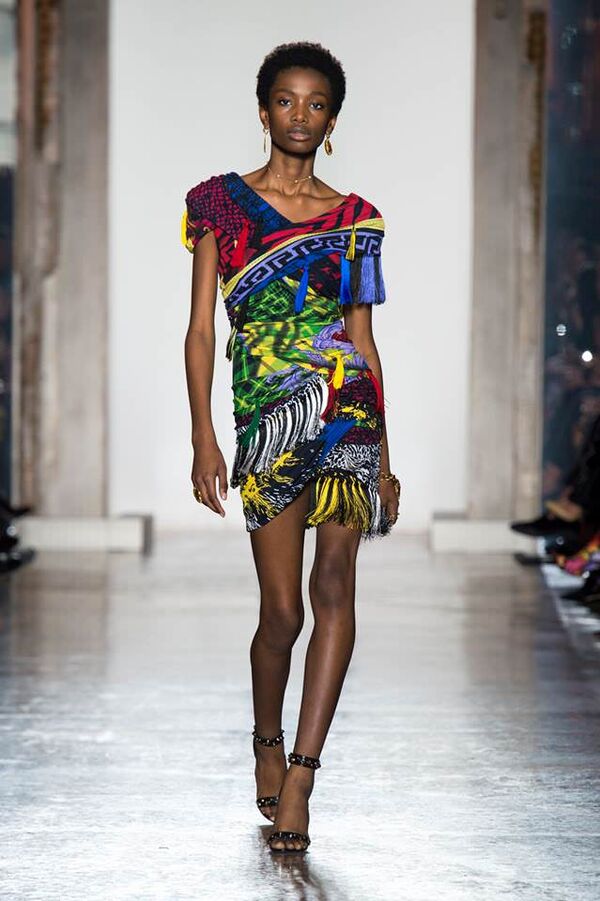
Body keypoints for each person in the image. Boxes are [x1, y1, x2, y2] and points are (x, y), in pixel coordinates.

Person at [182, 41, 400, 853]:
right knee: (282, 610)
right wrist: (203, 434)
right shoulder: (220, 206)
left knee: (334, 585)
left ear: (332, 120)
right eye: (285, 100)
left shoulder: (357, 220)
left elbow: (363, 341)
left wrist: (384, 459)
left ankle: (303, 776)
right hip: (266, 421)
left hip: (347, 412)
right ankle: (266, 739)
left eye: (316, 103)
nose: (300, 115)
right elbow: (201, 331)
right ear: (264, 109)